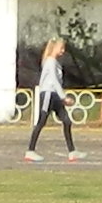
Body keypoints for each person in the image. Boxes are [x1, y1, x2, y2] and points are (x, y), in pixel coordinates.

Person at [25, 33, 77, 162]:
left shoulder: (55, 62)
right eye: (61, 48)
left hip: (54, 95)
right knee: (41, 121)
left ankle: (72, 152)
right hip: (48, 94)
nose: (63, 51)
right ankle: (30, 151)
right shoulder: (50, 61)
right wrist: (64, 97)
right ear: (54, 48)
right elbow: (53, 80)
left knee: (66, 121)